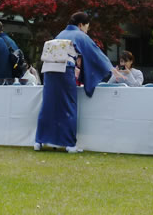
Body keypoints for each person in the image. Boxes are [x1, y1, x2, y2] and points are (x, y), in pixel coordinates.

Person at [34, 12, 119, 152]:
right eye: (87, 27)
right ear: (81, 25)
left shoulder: (60, 34)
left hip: (48, 70)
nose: (87, 30)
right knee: (68, 105)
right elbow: (95, 52)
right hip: (64, 70)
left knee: (49, 104)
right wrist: (110, 68)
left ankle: (39, 141)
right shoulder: (80, 35)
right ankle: (70, 144)